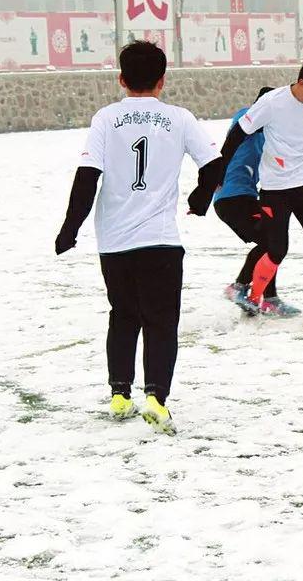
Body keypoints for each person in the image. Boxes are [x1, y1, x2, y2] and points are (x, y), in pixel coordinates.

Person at [54, 41, 224, 435]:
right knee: (162, 322)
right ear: (162, 80)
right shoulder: (179, 118)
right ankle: (156, 399)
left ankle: (119, 395)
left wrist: (70, 229)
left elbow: (87, 177)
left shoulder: (105, 119)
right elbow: (214, 165)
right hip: (161, 240)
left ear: (121, 79)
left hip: (114, 243)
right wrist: (200, 200)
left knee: (123, 315)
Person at [216, 56, 303, 314]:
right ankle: (255, 299)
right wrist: (219, 170)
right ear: (302, 83)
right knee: (276, 248)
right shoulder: (272, 103)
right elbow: (238, 133)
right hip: (276, 189)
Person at [213, 86, 303, 317]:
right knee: (271, 243)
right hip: (231, 197)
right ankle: (241, 288)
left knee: (272, 243)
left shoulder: (268, 135)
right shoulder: (246, 116)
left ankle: (266, 298)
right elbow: (241, 127)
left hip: (243, 196)